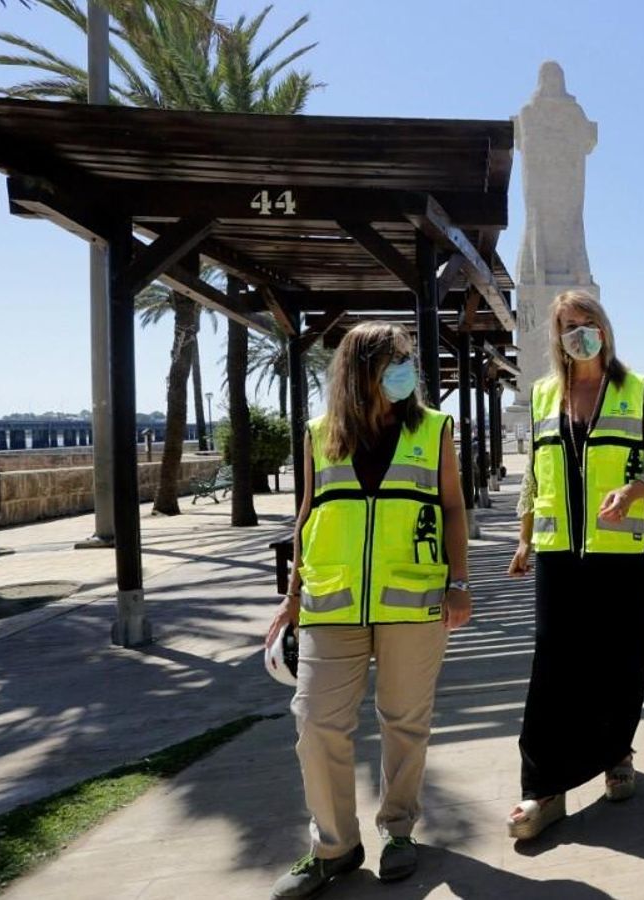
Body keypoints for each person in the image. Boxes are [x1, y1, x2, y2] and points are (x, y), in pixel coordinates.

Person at [267, 322, 473, 899]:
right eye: (394, 360)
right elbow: (308, 513)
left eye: (408, 358)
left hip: (412, 598)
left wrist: (459, 582)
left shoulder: (432, 430)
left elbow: (453, 508)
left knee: (404, 721)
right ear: (361, 372)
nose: (406, 369)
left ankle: (399, 830)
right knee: (314, 721)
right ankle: (333, 845)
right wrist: (291, 598)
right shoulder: (319, 433)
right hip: (331, 603)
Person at [505, 290, 644, 839]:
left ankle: (617, 753)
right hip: (558, 554)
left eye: (588, 321)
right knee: (554, 663)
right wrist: (524, 538)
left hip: (619, 549)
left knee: (620, 659)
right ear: (556, 335)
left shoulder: (636, 388)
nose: (580, 332)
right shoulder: (543, 395)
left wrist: (634, 489)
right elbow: (533, 472)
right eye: (569, 325)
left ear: (605, 326)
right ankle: (543, 785)